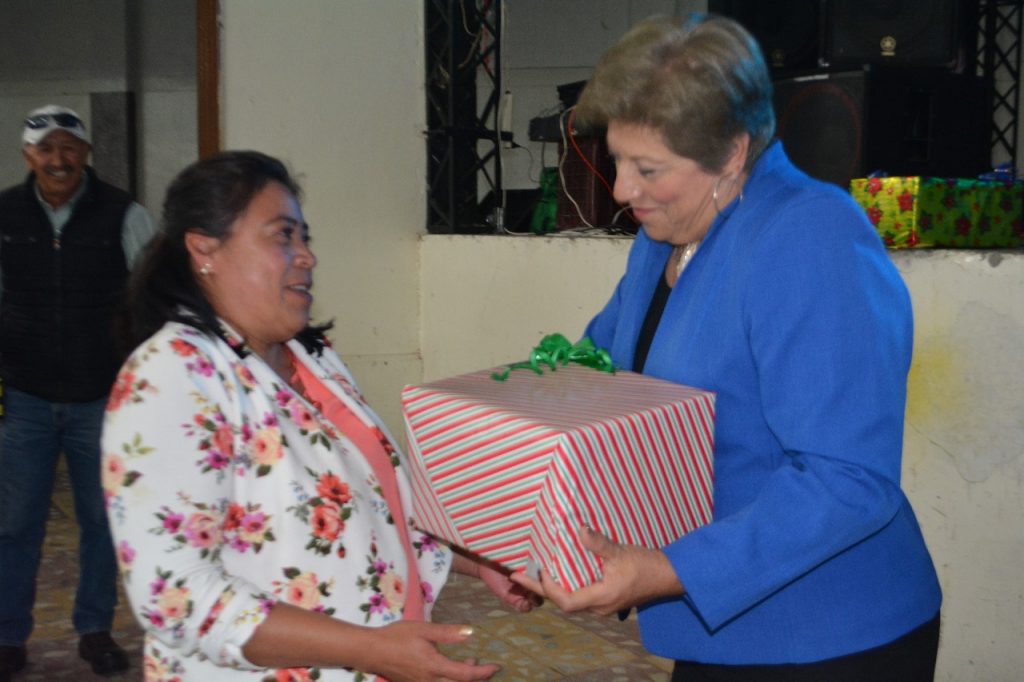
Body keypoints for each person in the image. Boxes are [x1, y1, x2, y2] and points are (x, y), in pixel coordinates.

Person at [511, 14, 943, 681]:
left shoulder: (811, 237)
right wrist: (514, 524)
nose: (623, 190)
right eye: (618, 160)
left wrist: (662, 569)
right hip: (718, 625)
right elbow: (595, 379)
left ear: (733, 153)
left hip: (825, 635)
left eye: (647, 167)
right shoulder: (666, 237)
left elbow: (847, 480)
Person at [101, 150, 536, 681]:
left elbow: (374, 507)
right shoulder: (172, 374)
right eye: (283, 236)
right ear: (204, 249)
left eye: (305, 238)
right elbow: (176, 595)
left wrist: (479, 563)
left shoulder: (312, 357)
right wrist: (370, 649)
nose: (306, 256)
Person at [0, 104, 156, 679]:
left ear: (86, 153)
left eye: (69, 147)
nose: (58, 158)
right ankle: (8, 637)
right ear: (27, 156)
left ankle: (94, 631)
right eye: (46, 149)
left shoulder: (125, 214)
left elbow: (151, 302)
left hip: (101, 398)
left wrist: (144, 387)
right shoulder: (5, 213)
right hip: (25, 398)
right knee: (15, 523)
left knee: (99, 519)